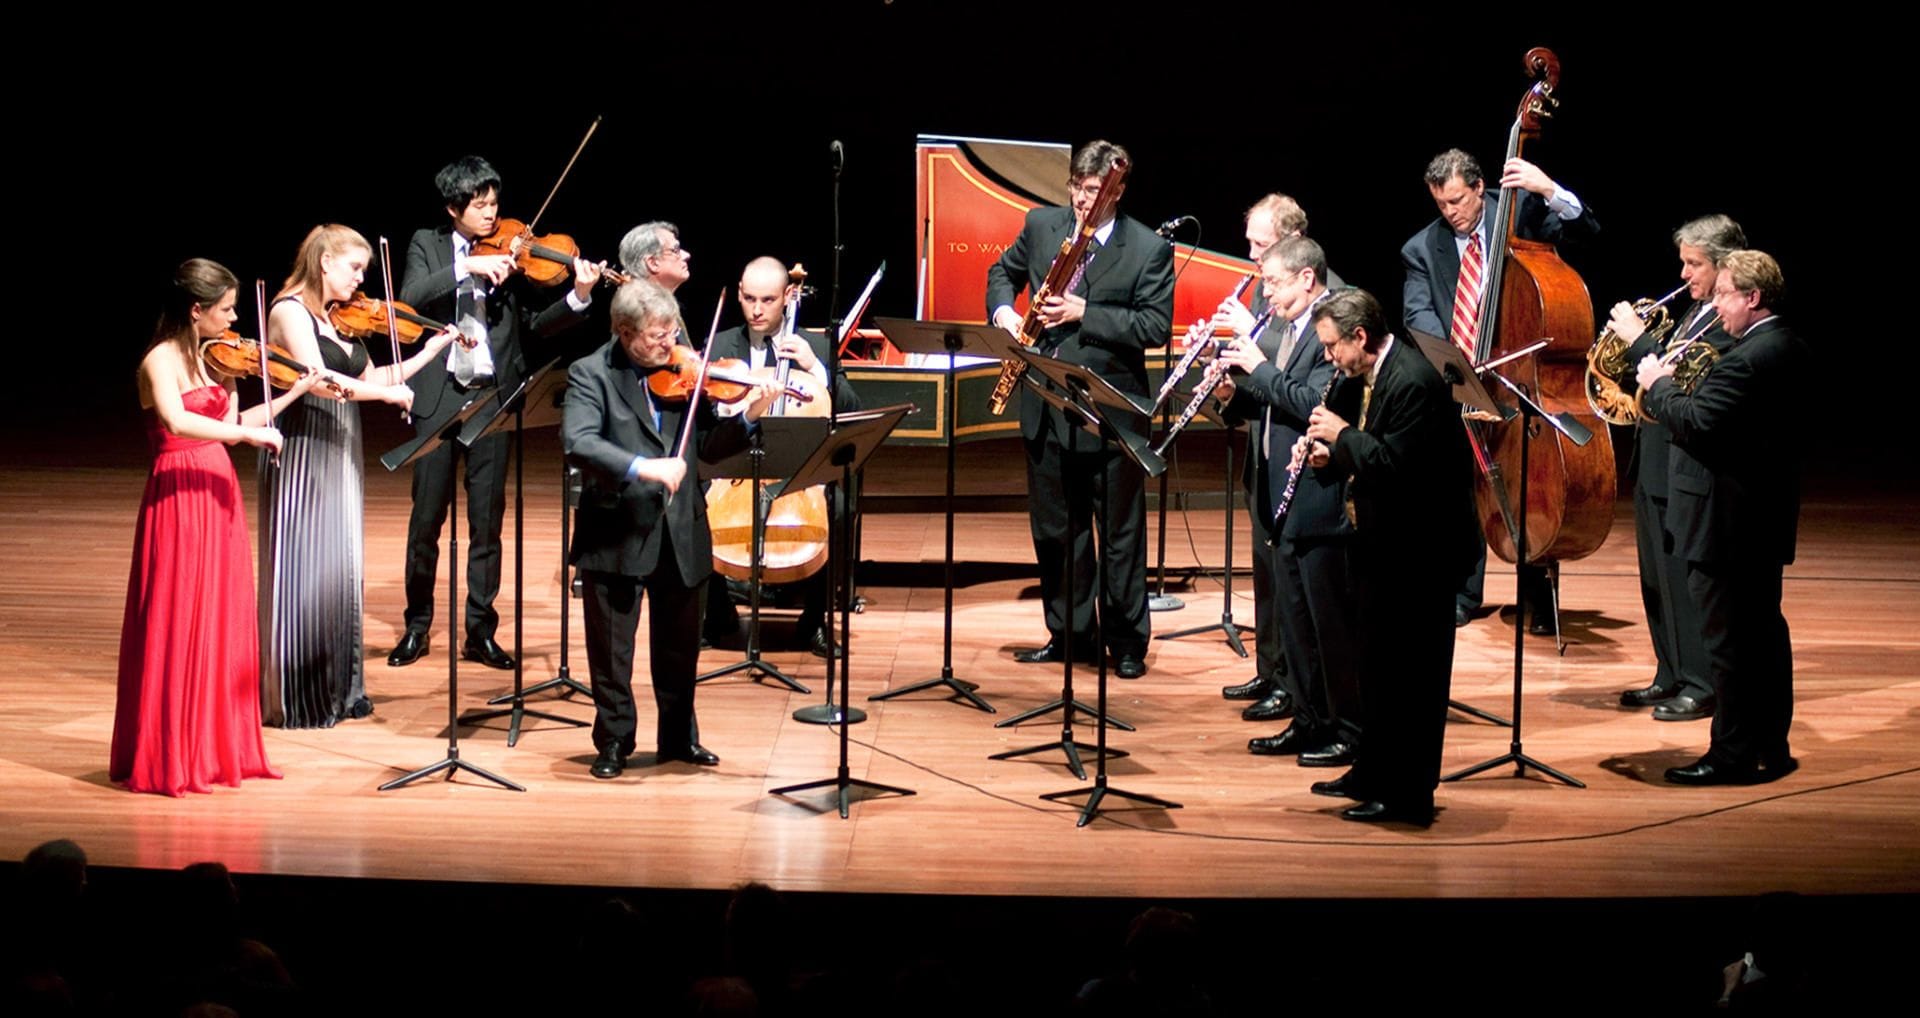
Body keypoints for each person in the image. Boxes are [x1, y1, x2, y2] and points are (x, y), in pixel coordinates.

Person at [390, 155, 601, 670]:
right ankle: (416, 625)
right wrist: (468, 266)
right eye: (479, 205)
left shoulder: (514, 252)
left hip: (493, 400)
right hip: (439, 398)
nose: (492, 214)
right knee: (426, 521)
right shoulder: (428, 243)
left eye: (494, 204)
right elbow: (409, 299)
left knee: (488, 522)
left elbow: (536, 325)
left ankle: (479, 630)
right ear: (453, 208)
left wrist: (577, 296)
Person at [112, 258, 310, 794]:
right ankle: (173, 754)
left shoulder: (215, 361)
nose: (234, 317)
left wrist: (290, 395)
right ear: (196, 310)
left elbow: (228, 425)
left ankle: (217, 749)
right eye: (225, 308)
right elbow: (177, 421)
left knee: (221, 619)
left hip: (218, 492)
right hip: (178, 496)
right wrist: (246, 438)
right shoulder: (159, 360)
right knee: (178, 620)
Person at [564, 281, 769, 778]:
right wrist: (644, 466)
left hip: (680, 528)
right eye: (656, 336)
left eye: (671, 330)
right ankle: (615, 741)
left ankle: (678, 739)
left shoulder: (684, 373)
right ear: (624, 333)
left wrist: (747, 418)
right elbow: (579, 441)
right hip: (616, 529)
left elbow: (708, 446)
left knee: (679, 648)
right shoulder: (590, 373)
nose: (669, 343)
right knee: (612, 652)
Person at [985, 139, 1173, 678]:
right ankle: (1069, 635)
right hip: (1045, 406)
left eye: (1097, 192)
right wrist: (1003, 311)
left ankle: (1127, 642)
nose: (1086, 202)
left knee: (1118, 536)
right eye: (1079, 190)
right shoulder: (1043, 225)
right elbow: (1003, 273)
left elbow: (1154, 327)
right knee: (1056, 531)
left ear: (1117, 191)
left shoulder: (1146, 248)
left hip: (1110, 412)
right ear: (1069, 185)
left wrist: (1084, 311)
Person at [260, 225, 456, 728]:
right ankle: (300, 694)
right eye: (354, 268)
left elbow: (369, 379)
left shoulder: (337, 318)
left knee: (340, 565)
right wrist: (385, 398)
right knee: (306, 566)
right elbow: (320, 381)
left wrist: (426, 356)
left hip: (341, 443)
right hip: (304, 444)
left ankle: (339, 688)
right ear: (325, 263)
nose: (361, 278)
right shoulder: (288, 311)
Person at [1400, 148, 1598, 632]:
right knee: (1466, 489)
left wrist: (1549, 189)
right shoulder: (1421, 248)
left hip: (1521, 376)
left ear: (1478, 187)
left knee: (1528, 482)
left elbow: (1587, 232)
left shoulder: (1520, 213)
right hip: (1465, 378)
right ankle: (1465, 593)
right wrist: (1455, 357)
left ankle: (1537, 596)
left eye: (1457, 201)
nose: (1451, 213)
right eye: (1441, 205)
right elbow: (1417, 313)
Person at [1301, 289, 1479, 824]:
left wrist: (1343, 435)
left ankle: (1407, 795)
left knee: (1412, 680)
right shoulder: (1370, 376)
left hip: (1421, 554)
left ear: (1360, 336)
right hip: (1384, 546)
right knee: (1375, 668)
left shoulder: (1414, 380)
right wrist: (1327, 456)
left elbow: (1394, 464)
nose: (1329, 357)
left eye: (1333, 347)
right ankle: (1372, 771)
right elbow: (1366, 454)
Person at [1637, 250, 1806, 785]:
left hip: (1725, 527)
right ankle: (1769, 746)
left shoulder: (1747, 359)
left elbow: (1698, 422)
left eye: (1724, 294)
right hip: (1761, 521)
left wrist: (1658, 380)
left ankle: (1731, 756)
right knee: (1764, 640)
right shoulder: (1788, 347)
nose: (1715, 304)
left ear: (1753, 298)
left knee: (1730, 648)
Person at [1216, 238, 1357, 765]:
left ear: (1306, 278)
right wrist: (1234, 395)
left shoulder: (1332, 329)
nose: (1265, 293)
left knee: (1327, 627)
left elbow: (1310, 403)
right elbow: (1272, 402)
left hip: (1319, 495)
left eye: (1272, 282)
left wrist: (1258, 368)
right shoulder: (1282, 328)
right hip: (1278, 484)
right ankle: (1307, 718)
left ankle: (1344, 729)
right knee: (1295, 621)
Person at [1603, 214, 1746, 722]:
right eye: (1683, 262)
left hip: (1688, 465)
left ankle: (1701, 682)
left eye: (1694, 264)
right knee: (1655, 578)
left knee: (1685, 580)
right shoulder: (1693, 311)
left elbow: (1682, 377)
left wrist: (1640, 341)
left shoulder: (1730, 325)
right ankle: (1669, 671)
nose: (1684, 274)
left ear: (1724, 265)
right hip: (1655, 459)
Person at [706, 256, 860, 657]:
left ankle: (814, 623)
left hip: (797, 470)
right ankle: (717, 612)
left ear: (787, 298)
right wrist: (730, 409)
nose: (757, 310)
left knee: (840, 509)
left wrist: (816, 367)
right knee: (691, 503)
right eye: (750, 299)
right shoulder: (720, 345)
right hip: (733, 464)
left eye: (768, 300)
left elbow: (849, 407)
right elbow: (698, 414)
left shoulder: (817, 344)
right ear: (738, 294)